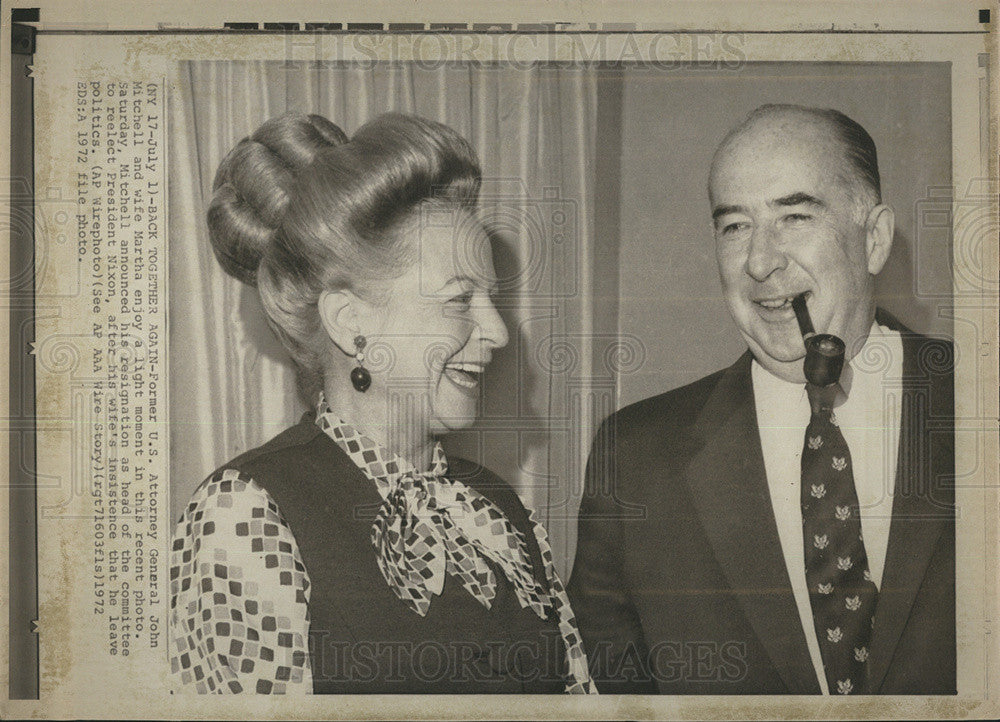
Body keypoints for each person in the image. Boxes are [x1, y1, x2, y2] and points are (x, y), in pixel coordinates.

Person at [169, 112, 595, 694]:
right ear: (350, 323)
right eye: (458, 300)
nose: (496, 331)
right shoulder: (247, 514)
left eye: (490, 300)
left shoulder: (501, 509)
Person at [568, 104, 954, 695]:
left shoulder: (981, 398)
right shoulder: (637, 459)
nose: (759, 261)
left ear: (874, 239)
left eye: (794, 216)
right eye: (735, 226)